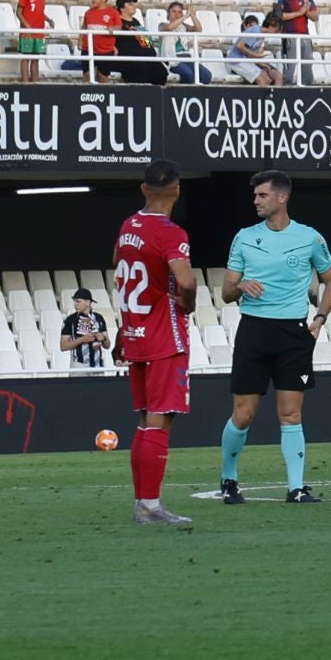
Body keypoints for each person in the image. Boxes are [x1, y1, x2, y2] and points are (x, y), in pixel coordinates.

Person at [219, 170, 331, 505]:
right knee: (243, 415)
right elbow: (226, 291)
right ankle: (229, 479)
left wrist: (319, 319)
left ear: (282, 197)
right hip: (254, 331)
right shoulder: (244, 237)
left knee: (291, 415)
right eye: (255, 195)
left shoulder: (309, 238)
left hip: (293, 333)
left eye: (262, 195)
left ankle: (296, 488)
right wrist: (239, 286)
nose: (255, 201)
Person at [112, 160, 199, 526]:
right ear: (177, 189)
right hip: (165, 335)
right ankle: (150, 506)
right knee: (160, 423)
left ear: (143, 188)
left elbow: (119, 268)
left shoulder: (128, 225)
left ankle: (143, 503)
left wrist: (123, 326)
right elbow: (187, 282)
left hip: (135, 332)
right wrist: (187, 304)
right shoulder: (171, 233)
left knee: (146, 421)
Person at [273, 0, 318, 85]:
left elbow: (315, 16)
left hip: (304, 36)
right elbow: (278, 16)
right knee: (289, 70)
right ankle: (286, 94)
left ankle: (307, 91)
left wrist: (306, 12)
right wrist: (300, 12)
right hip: (289, 36)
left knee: (307, 68)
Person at [111, 0, 169, 86]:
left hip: (142, 56)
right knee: (141, 69)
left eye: (133, 3)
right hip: (127, 57)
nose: (134, 6)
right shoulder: (116, 21)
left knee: (160, 70)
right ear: (121, 8)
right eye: (130, 4)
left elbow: (146, 41)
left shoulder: (135, 21)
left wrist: (150, 52)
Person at [225, 13, 283, 86]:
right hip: (236, 60)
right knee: (261, 80)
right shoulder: (255, 30)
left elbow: (251, 54)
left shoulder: (262, 35)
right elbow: (240, 45)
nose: (276, 33)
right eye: (276, 31)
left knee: (267, 79)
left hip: (246, 60)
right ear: (271, 26)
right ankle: (261, 97)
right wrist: (256, 55)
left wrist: (262, 64)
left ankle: (269, 97)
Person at [160, 1, 210, 84]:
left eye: (179, 12)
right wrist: (185, 16)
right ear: (168, 14)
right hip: (172, 60)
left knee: (206, 75)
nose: (177, 14)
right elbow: (170, 27)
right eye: (174, 11)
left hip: (187, 58)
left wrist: (192, 14)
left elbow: (198, 29)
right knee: (188, 75)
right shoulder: (162, 25)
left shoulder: (184, 26)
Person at [60, 287, 110, 369]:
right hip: (78, 364)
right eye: (74, 301)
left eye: (78, 301)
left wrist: (103, 338)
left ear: (87, 302)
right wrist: (82, 340)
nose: (75, 304)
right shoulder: (70, 320)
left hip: (97, 364)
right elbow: (63, 346)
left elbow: (107, 345)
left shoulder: (99, 318)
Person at [81, 0, 122, 83]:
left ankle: (106, 96)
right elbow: (84, 26)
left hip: (105, 49)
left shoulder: (113, 12)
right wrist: (80, 40)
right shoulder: (88, 12)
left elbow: (119, 27)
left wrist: (112, 29)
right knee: (87, 75)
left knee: (102, 76)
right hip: (88, 48)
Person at [16, 0, 49, 83]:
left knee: (36, 58)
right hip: (27, 32)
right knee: (26, 57)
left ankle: (35, 83)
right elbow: (18, 12)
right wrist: (27, 26)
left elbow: (39, 12)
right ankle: (25, 82)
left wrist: (48, 20)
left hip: (39, 32)